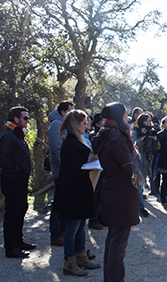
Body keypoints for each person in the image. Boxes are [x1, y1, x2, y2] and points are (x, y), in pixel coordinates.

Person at [92, 102, 141, 282]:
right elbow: (128, 167)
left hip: (112, 190)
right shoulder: (116, 137)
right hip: (121, 193)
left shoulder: (105, 134)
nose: (127, 118)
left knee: (113, 240)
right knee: (118, 244)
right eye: (125, 114)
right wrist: (136, 161)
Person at [55, 109, 100, 276]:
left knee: (81, 227)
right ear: (75, 124)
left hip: (82, 190)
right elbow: (76, 167)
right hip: (73, 191)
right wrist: (92, 165)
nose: (87, 125)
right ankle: (69, 263)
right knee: (72, 229)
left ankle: (81, 258)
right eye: (84, 123)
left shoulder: (79, 139)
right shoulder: (70, 142)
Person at [0, 106, 36, 258]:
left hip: (20, 181)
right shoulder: (8, 136)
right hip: (12, 181)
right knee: (12, 213)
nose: (28, 120)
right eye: (25, 118)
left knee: (21, 210)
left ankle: (19, 242)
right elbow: (2, 160)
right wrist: (19, 170)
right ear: (16, 119)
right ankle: (11, 247)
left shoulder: (17, 134)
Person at [48, 101, 74, 246]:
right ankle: (55, 234)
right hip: (61, 172)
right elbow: (57, 149)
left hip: (67, 171)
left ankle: (63, 232)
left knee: (65, 203)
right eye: (71, 111)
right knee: (58, 204)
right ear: (63, 112)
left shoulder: (63, 124)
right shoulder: (56, 125)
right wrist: (67, 167)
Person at [131, 113, 161, 218]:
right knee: (139, 186)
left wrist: (154, 139)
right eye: (146, 121)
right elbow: (133, 146)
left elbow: (157, 147)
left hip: (149, 161)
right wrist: (142, 138)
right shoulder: (136, 132)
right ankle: (141, 209)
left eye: (149, 121)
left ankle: (140, 204)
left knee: (145, 183)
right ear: (141, 122)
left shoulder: (151, 131)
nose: (148, 123)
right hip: (138, 161)